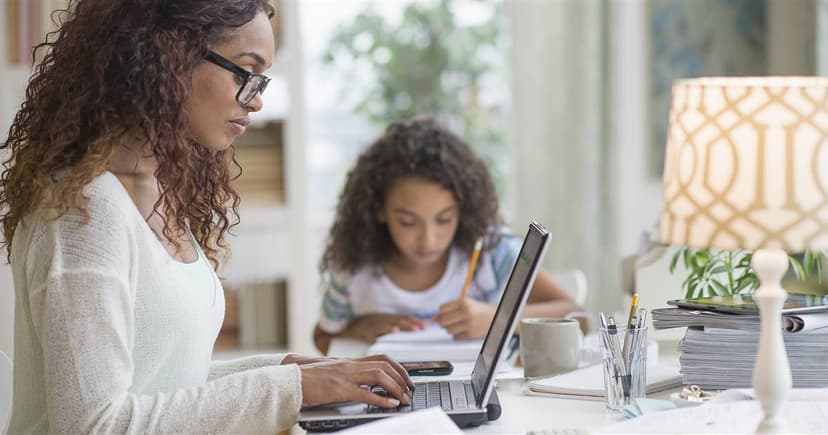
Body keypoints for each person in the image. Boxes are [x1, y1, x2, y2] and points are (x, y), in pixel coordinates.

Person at [0, 1, 412, 433]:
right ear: (170, 58)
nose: (256, 101)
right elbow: (96, 426)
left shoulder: (155, 191)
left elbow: (167, 385)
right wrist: (292, 387)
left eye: (262, 79)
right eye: (244, 72)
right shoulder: (82, 211)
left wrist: (298, 371)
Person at [313, 117, 584, 354]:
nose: (428, 240)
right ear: (379, 210)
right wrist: (364, 326)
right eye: (408, 222)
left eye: (444, 219)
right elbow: (322, 337)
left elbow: (578, 317)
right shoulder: (354, 269)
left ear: (463, 210)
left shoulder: (492, 253)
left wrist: (498, 320)